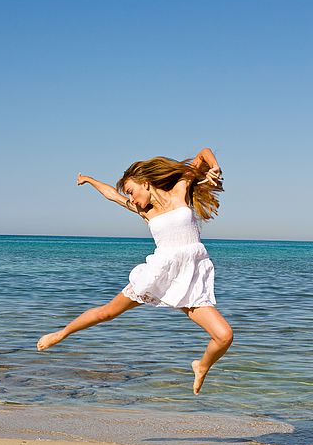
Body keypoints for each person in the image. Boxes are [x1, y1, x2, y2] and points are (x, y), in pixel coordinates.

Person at [36, 148, 233, 395]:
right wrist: (88, 180)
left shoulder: (180, 190)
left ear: (146, 184)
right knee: (107, 313)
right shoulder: (145, 211)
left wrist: (214, 167)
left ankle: (201, 366)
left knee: (224, 336)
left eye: (130, 191)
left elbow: (204, 153)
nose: (129, 197)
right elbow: (111, 195)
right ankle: (61, 333)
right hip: (159, 274)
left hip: (189, 277)